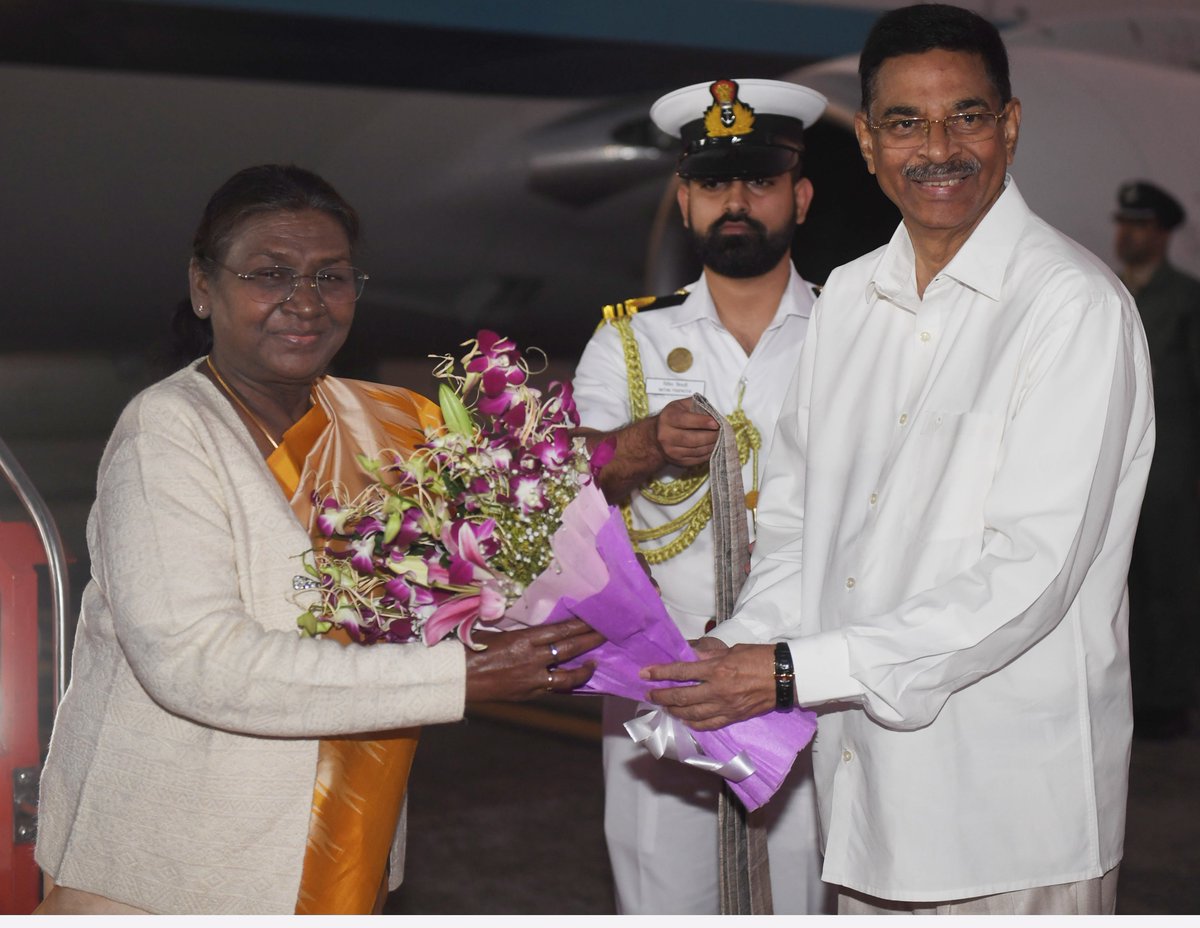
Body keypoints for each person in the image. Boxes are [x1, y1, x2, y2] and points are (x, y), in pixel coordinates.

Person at [642, 4, 1154, 915]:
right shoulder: (847, 300)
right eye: (907, 124)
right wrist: (740, 642)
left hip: (1008, 820)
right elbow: (800, 527)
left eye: (967, 115)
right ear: (869, 143)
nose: (940, 149)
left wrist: (792, 672)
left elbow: (1028, 579)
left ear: (1010, 126)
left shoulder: (1070, 307)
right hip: (867, 803)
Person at [33, 164, 603, 915]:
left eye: (330, 277)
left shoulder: (382, 423)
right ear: (205, 288)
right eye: (271, 274)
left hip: (341, 834)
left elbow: (510, 496)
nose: (304, 304)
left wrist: (635, 451)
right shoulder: (166, 433)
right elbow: (197, 660)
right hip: (175, 863)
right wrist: (458, 679)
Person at [572, 78, 830, 914]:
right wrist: (643, 444)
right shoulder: (630, 340)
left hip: (810, 672)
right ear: (685, 201)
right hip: (666, 672)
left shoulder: (852, 333)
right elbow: (560, 490)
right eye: (715, 184)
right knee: (665, 894)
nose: (737, 203)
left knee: (809, 889)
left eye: (760, 182)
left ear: (800, 195)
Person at [1113, 180, 1200, 740]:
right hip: (1122, 472)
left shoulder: (1186, 300)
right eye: (1124, 223)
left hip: (1173, 473)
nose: (1129, 234)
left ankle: (1169, 700)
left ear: (1164, 233)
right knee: (1123, 588)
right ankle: (1130, 692)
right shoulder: (1109, 291)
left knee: (1171, 586)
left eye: (1141, 225)